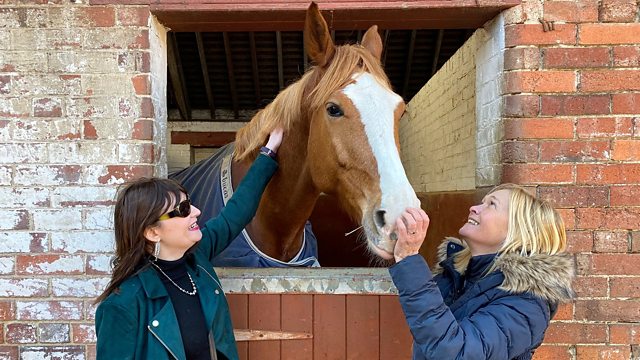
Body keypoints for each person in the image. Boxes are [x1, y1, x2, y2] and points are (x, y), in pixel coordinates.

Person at [94, 128, 284, 360]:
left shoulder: (198, 259)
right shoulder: (123, 305)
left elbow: (236, 213)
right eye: (183, 210)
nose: (196, 212)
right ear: (153, 232)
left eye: (190, 203)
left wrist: (268, 153)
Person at [390, 183, 575, 360]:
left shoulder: (527, 304)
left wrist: (409, 260)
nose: (474, 207)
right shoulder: (455, 275)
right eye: (482, 202)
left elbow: (456, 353)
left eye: (491, 204)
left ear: (518, 231)